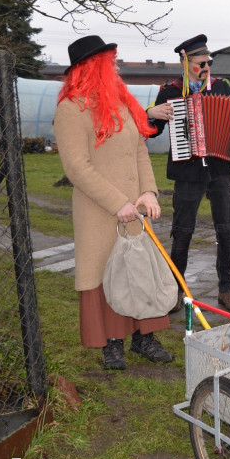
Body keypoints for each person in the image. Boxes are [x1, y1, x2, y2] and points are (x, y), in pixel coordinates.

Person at [53, 35, 173, 370]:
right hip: (99, 210)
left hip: (134, 209)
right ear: (93, 66)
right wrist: (117, 202)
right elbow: (76, 167)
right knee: (108, 272)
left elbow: (138, 150)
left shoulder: (121, 102)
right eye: (111, 60)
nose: (117, 65)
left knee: (141, 271)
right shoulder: (70, 109)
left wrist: (148, 191)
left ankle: (144, 339)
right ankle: (112, 342)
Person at [147, 34, 230, 313]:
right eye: (200, 63)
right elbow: (153, 129)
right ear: (185, 63)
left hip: (221, 170)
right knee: (182, 231)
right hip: (187, 171)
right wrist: (152, 112)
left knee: (227, 229)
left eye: (208, 62)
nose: (205, 67)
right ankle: (177, 291)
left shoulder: (221, 87)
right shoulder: (170, 91)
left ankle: (226, 289)